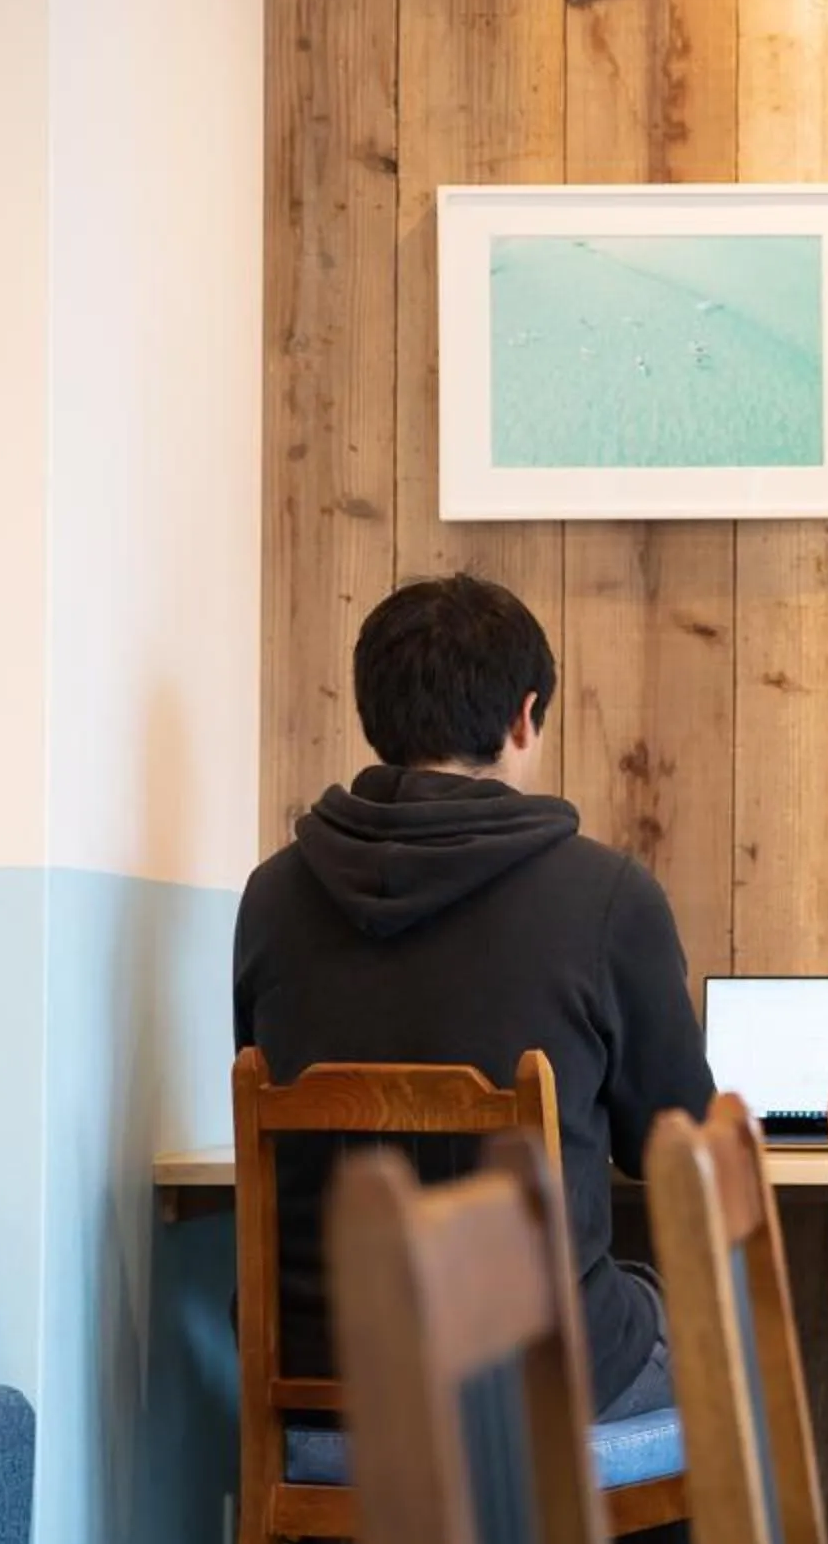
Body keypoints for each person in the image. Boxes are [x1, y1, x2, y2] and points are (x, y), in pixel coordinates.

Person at [233, 572, 713, 1426]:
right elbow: (675, 1151)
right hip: (535, 1370)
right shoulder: (605, 897)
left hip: (322, 1377)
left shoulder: (271, 897)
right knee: (712, 1334)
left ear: (375, 717)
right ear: (525, 716)